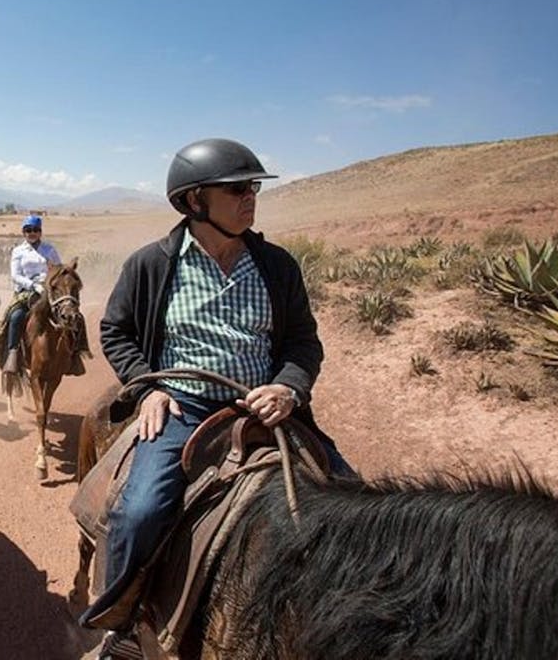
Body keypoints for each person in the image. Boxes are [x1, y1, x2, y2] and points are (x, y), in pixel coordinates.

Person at [79, 138, 354, 658]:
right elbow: (116, 332)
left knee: (357, 501)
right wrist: (148, 387)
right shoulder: (152, 265)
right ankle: (120, 627)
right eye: (236, 189)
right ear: (193, 201)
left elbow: (302, 342)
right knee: (139, 511)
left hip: (264, 411)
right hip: (185, 408)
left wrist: (289, 387)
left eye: (253, 187)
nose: (250, 197)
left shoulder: (277, 266)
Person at [0, 215, 90, 375]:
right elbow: (15, 276)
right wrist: (33, 285)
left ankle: (75, 355)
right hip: (26, 292)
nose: (31, 233)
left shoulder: (49, 249)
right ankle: (12, 353)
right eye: (28, 230)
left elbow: (59, 270)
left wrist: (50, 284)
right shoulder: (18, 251)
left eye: (35, 230)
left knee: (75, 316)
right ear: (23, 232)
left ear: (40, 232)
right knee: (16, 316)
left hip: (48, 290)